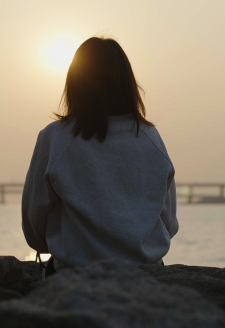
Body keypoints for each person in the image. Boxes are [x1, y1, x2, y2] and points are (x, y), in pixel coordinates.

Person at [22, 36, 178, 276]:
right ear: (127, 83)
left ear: (75, 81)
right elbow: (168, 222)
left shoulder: (55, 138)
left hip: (75, 273)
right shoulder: (150, 137)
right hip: (147, 275)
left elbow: (35, 221)